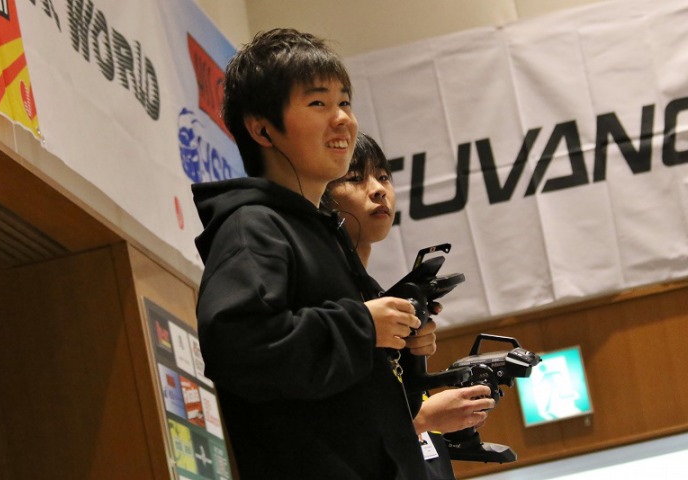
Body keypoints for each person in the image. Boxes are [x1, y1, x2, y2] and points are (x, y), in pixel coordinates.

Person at [192, 28, 450, 480]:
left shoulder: (321, 231)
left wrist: (400, 344)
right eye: (318, 103)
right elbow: (238, 347)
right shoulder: (253, 225)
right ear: (262, 128)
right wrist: (362, 326)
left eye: (345, 102)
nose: (343, 119)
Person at [323, 131, 496, 480]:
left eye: (383, 176)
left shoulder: (373, 297)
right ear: (322, 197)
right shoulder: (328, 304)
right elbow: (329, 432)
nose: (378, 189)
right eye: (355, 178)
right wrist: (423, 419)